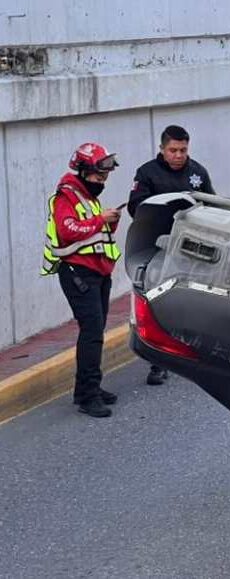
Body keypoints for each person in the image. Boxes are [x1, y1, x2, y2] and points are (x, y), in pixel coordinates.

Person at [128, 124, 215, 385]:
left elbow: (212, 203)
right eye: (173, 150)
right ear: (162, 149)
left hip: (190, 247)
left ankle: (195, 350)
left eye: (183, 150)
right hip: (159, 246)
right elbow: (136, 207)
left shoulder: (197, 172)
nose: (178, 155)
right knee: (158, 302)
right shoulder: (147, 174)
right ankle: (159, 362)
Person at [41, 143, 122, 418]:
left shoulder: (87, 196)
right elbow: (68, 231)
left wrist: (110, 221)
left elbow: (93, 234)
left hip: (97, 273)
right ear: (84, 171)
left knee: (95, 333)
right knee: (91, 332)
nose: (103, 181)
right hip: (78, 274)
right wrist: (101, 220)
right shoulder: (67, 196)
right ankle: (88, 396)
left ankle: (88, 389)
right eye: (99, 176)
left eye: (105, 177)